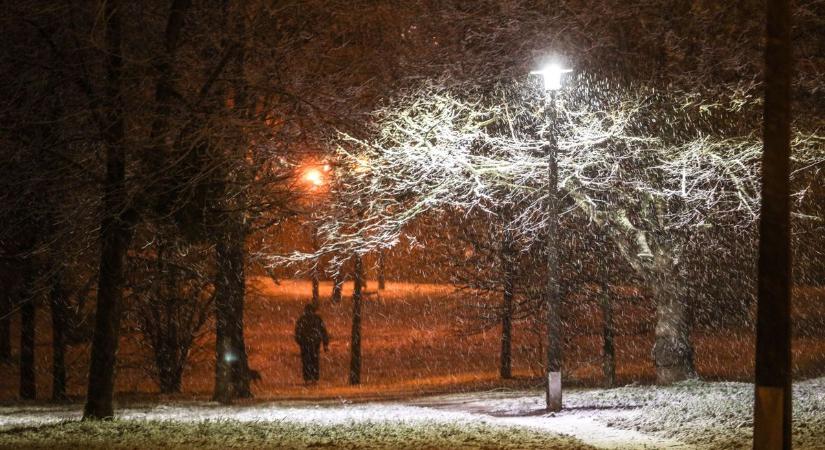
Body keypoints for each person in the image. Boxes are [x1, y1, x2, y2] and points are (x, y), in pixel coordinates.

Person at [294, 303, 329, 383]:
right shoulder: (317, 319)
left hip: (306, 343)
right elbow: (323, 331)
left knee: (307, 361)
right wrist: (325, 343)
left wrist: (300, 341)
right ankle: (313, 378)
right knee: (314, 361)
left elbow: (297, 332)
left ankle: (308, 378)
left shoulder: (302, 319)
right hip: (314, 343)